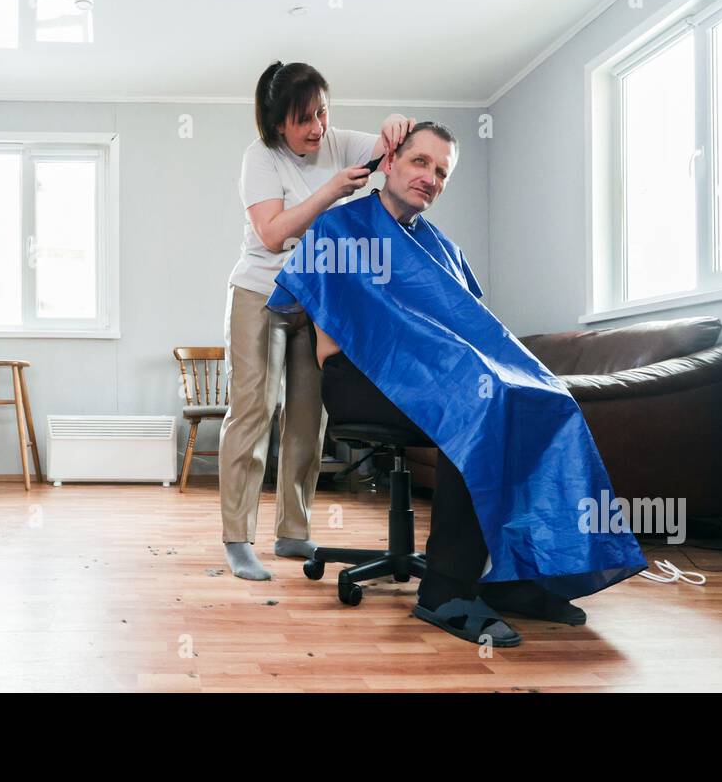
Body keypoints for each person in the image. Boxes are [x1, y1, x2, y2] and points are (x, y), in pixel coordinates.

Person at [267, 122, 647, 646]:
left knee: (548, 402)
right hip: (359, 377)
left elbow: (468, 328)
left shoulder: (442, 249)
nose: (430, 177)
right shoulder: (339, 228)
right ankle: (444, 591)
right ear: (391, 161)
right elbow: (322, 319)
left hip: (437, 372)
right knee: (476, 402)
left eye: (442, 172)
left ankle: (514, 576)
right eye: (421, 162)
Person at [217, 60, 413, 581]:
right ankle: (238, 538)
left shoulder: (336, 142)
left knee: (309, 418)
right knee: (254, 411)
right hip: (261, 293)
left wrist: (397, 124)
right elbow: (273, 235)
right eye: (304, 119)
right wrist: (331, 192)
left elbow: (393, 150)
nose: (317, 128)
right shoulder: (259, 158)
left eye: (322, 113)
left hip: (317, 300)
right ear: (278, 123)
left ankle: (293, 531)